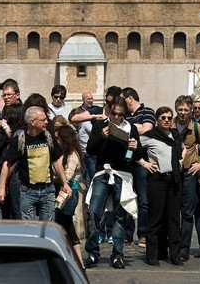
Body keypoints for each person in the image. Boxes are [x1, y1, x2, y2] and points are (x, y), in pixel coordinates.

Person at [83, 96, 140, 270]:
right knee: (93, 211)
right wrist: (101, 137)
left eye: (120, 115)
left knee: (119, 216)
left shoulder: (130, 128)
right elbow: (90, 151)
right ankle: (93, 253)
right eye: (114, 114)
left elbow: (138, 157)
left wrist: (135, 148)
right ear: (109, 110)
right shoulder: (100, 125)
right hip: (103, 173)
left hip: (122, 174)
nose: (116, 118)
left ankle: (117, 254)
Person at [0, 106, 71, 221]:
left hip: (48, 190)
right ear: (32, 122)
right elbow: (8, 164)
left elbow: (56, 161)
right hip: (27, 191)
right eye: (43, 120)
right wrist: (1, 188)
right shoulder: (19, 139)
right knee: (30, 229)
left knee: (48, 228)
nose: (46, 122)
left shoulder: (48, 137)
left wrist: (65, 183)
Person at [139, 106, 184, 266]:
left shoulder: (175, 135)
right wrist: (144, 163)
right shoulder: (150, 136)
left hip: (174, 180)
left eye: (169, 117)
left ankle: (174, 254)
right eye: (163, 117)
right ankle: (152, 254)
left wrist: (180, 159)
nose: (166, 120)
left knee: (173, 219)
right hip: (157, 180)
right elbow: (131, 150)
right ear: (157, 120)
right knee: (155, 217)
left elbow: (182, 150)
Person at [174, 95, 200, 261]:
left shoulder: (197, 128)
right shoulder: (169, 123)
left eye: (186, 110)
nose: (183, 113)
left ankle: (184, 249)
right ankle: (171, 246)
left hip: (189, 174)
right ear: (176, 109)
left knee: (187, 212)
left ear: (191, 110)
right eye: (180, 110)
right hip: (172, 173)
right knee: (171, 211)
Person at [122, 87, 154, 247]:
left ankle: (143, 234)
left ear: (129, 98)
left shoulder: (148, 111)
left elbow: (147, 129)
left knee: (143, 199)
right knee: (127, 197)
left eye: (123, 99)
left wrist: (128, 130)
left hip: (142, 161)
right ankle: (127, 234)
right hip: (127, 162)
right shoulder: (124, 115)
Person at [0, 100, 25, 219]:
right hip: (7, 175)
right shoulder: (9, 132)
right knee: (10, 211)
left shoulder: (19, 133)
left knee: (15, 211)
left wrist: (3, 125)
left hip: (14, 177)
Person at [53, 123, 84, 265]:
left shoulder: (72, 155)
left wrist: (51, 176)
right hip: (64, 193)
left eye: (58, 138)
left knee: (66, 225)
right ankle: (77, 261)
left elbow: (67, 175)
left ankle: (78, 261)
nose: (56, 141)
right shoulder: (64, 153)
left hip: (68, 194)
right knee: (65, 225)